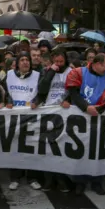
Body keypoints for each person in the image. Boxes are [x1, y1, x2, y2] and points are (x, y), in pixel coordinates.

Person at [65, 53, 105, 195]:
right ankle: (80, 182)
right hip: (81, 118)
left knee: (97, 151)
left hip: (99, 117)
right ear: (97, 64)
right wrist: (86, 107)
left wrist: (101, 108)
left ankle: (96, 181)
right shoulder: (78, 73)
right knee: (80, 150)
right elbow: (74, 94)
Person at [5, 52, 42, 190]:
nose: (25, 62)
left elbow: (42, 93)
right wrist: (8, 101)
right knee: (15, 148)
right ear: (17, 63)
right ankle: (15, 177)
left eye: (27, 60)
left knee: (32, 148)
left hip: (31, 117)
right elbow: (4, 92)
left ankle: (32, 177)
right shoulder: (8, 75)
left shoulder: (38, 75)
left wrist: (37, 101)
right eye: (22, 60)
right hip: (14, 118)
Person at [37, 49, 72, 192]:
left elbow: (75, 90)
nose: (58, 64)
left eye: (61, 62)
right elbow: (42, 89)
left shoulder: (71, 72)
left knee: (61, 148)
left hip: (63, 114)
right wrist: (51, 72)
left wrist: (68, 100)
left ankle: (61, 179)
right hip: (49, 113)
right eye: (56, 62)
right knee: (48, 148)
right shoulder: (47, 71)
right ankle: (49, 180)